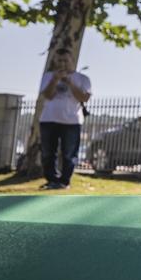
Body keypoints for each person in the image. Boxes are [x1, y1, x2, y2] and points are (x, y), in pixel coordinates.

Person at [38, 47, 92, 190]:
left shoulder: (83, 79)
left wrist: (69, 82)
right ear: (55, 61)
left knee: (69, 154)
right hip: (49, 119)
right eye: (59, 60)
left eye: (65, 61)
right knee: (48, 153)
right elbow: (48, 95)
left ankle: (64, 181)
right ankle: (51, 180)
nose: (62, 64)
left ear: (72, 61)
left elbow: (84, 97)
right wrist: (55, 80)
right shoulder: (48, 76)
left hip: (72, 121)